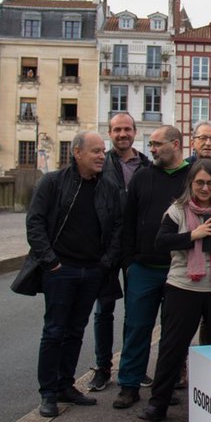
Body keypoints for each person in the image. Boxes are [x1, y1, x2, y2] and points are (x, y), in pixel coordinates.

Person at [138, 160, 211, 422]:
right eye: (200, 182)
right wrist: (193, 235)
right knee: (172, 348)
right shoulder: (177, 211)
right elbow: (160, 243)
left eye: (210, 183)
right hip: (184, 287)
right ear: (191, 184)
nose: (205, 188)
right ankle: (158, 403)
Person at [26, 131, 123, 418]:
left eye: (103, 151)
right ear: (77, 152)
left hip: (92, 270)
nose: (100, 156)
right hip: (60, 270)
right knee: (54, 331)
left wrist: (105, 263)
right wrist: (50, 261)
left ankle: (66, 385)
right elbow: (35, 222)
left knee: (75, 331)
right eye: (95, 151)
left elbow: (117, 226)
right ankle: (48, 393)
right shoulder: (53, 182)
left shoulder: (107, 187)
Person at [114, 126, 191, 410]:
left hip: (178, 268)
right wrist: (129, 262)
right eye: (152, 144)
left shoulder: (191, 178)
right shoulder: (142, 176)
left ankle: (165, 386)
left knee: (173, 334)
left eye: (158, 144)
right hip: (143, 267)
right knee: (136, 328)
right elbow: (128, 220)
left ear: (176, 144)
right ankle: (129, 384)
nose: (152, 149)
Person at [87, 112, 150, 393]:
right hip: (107, 247)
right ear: (109, 134)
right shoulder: (101, 164)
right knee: (104, 309)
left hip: (136, 247)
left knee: (137, 312)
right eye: (116, 130)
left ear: (135, 132)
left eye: (126, 129)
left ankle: (131, 366)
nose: (122, 134)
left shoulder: (147, 165)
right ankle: (103, 367)